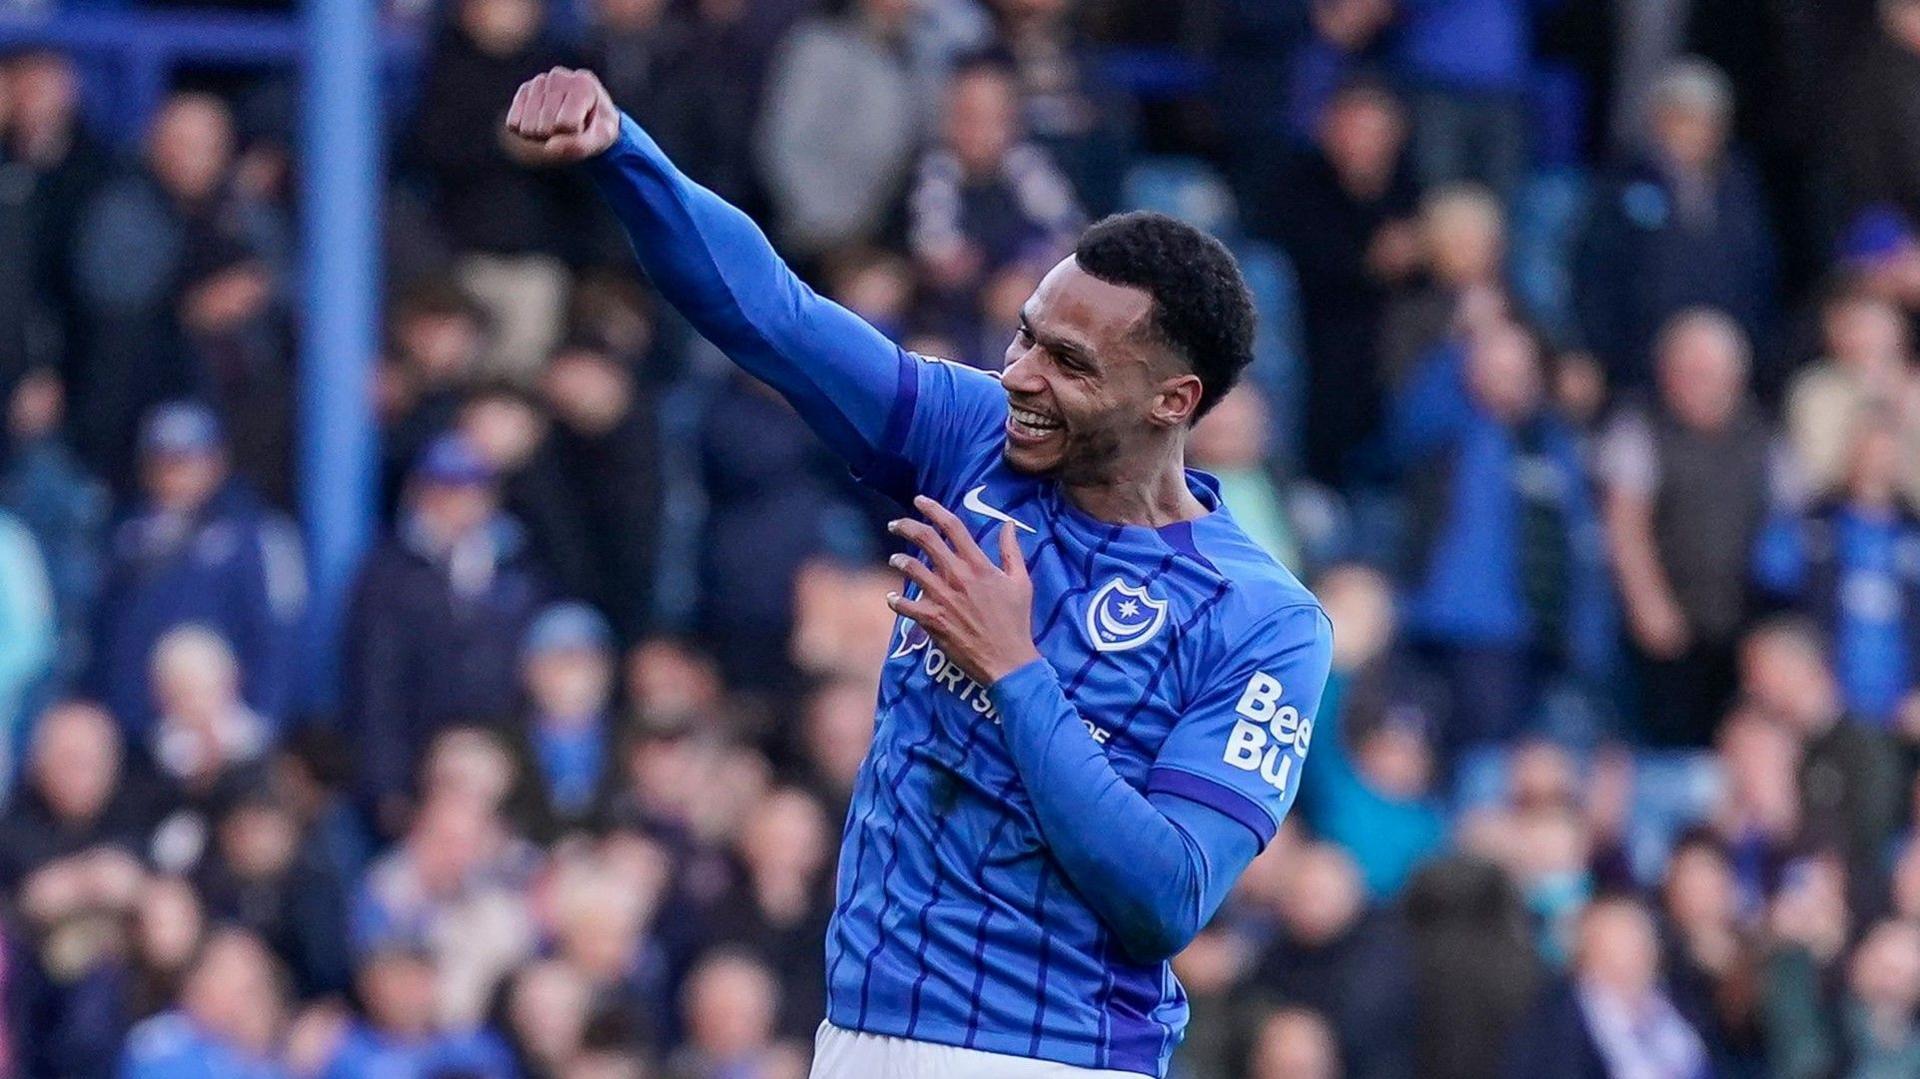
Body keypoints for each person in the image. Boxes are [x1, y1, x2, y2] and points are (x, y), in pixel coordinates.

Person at [505, 67, 1334, 1079]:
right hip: (856, 1031)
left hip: (1051, 1054)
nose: (1022, 372)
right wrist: (625, 154)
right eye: (1027, 333)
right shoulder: (970, 434)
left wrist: (1015, 669)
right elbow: (776, 317)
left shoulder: (1261, 617)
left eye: (1070, 363)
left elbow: (1169, 894)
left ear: (1173, 400)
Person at [88, 401, 306, 741]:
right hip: (138, 734)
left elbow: (274, 636)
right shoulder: (123, 536)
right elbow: (107, 636)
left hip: (222, 734)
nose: (174, 473)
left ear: (216, 462)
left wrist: (255, 722)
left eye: (186, 459)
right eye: (163, 460)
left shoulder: (255, 535)